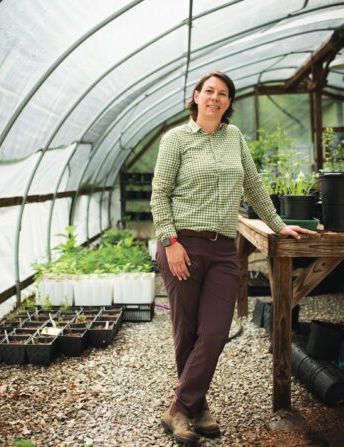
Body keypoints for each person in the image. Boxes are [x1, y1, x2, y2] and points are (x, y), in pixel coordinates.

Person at [150, 71, 316, 446]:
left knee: (215, 331)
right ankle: (198, 407)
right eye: (208, 91)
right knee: (187, 332)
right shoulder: (175, 139)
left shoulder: (234, 137)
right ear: (195, 97)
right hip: (183, 247)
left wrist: (277, 225)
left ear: (228, 102)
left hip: (224, 248)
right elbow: (159, 196)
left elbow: (253, 185)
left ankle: (178, 408)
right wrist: (171, 242)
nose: (215, 98)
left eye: (222, 94)